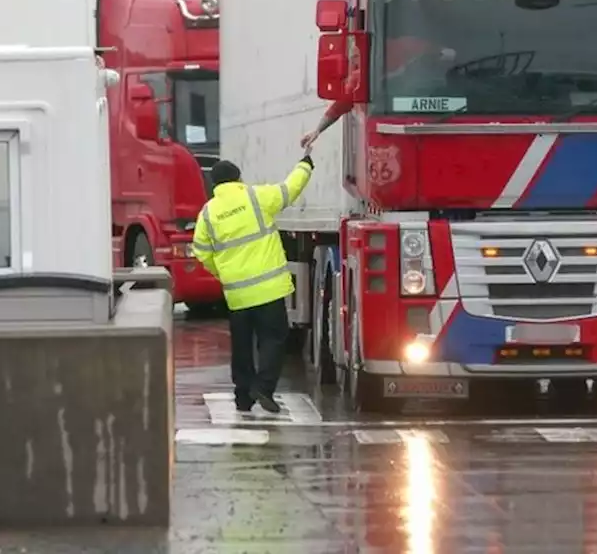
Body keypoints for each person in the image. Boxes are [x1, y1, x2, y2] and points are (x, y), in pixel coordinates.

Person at [191, 155, 314, 414]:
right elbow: (289, 189)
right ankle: (264, 386)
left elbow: (201, 251)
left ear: (214, 184)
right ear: (238, 178)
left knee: (242, 345)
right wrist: (304, 165)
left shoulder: (208, 214)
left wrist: (223, 272)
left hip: (237, 294)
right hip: (268, 289)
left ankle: (243, 397)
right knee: (274, 338)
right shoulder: (256, 197)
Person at [299, 35, 455, 149]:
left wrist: (441, 56)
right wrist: (317, 130)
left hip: (442, 114)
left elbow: (449, 53)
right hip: (401, 128)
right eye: (353, 58)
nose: (355, 61)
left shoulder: (403, 46)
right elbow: (338, 107)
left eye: (356, 55)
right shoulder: (360, 78)